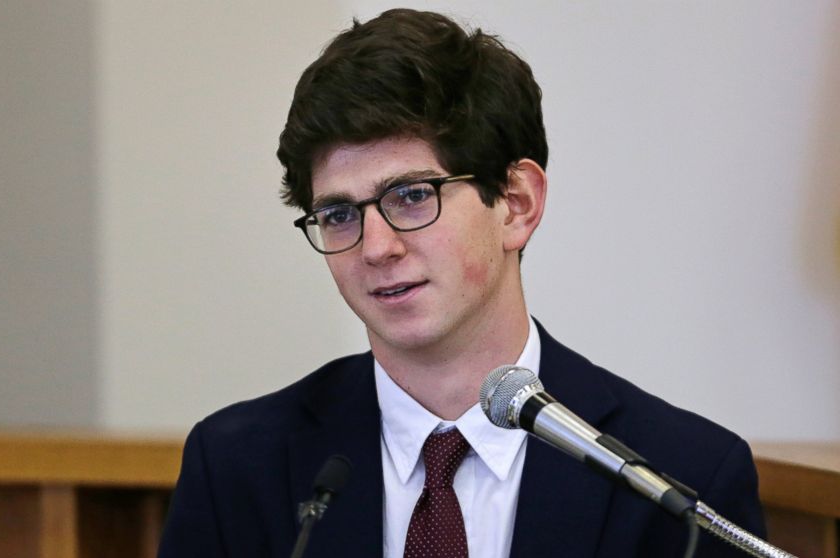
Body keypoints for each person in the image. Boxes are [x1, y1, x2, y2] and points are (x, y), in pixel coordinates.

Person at [158, 9, 765, 557]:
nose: (376, 247)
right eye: (340, 214)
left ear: (517, 204)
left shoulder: (679, 482)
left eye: (413, 196)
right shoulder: (237, 467)